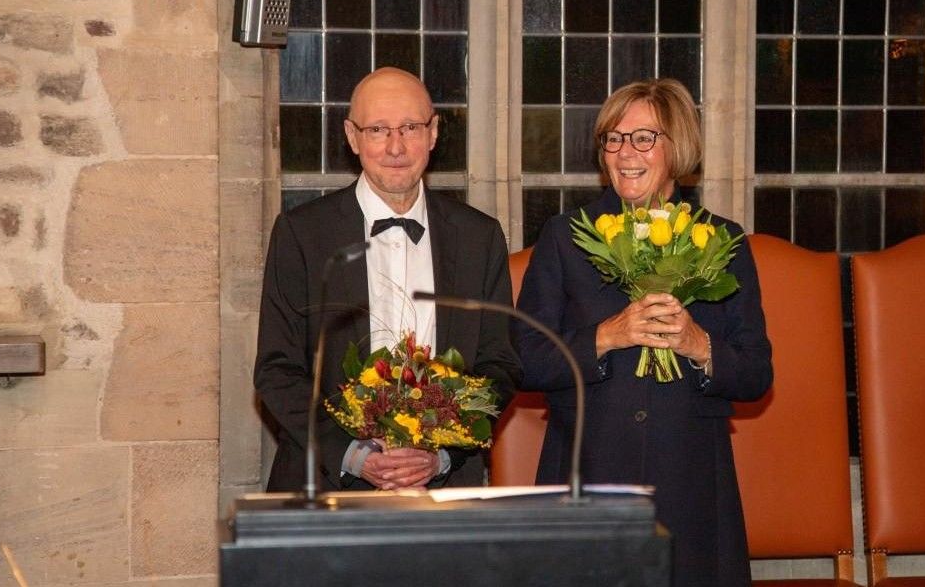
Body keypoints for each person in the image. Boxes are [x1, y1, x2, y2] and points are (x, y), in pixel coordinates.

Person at [512, 78, 773, 587]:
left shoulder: (724, 241)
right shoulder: (566, 237)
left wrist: (699, 345)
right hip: (587, 471)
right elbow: (523, 359)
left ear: (679, 146)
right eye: (613, 138)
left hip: (690, 478)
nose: (625, 152)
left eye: (643, 138)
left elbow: (756, 373)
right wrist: (607, 335)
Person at [255, 67, 520, 493]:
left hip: (445, 487)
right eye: (378, 129)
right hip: (327, 486)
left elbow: (500, 365)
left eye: (411, 128)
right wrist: (354, 455)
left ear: (433, 133)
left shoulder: (479, 236)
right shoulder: (302, 234)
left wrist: (442, 454)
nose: (396, 147)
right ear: (352, 136)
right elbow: (277, 370)